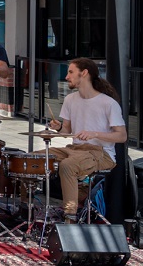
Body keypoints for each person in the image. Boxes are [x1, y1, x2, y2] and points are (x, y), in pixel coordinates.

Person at [46, 58, 126, 222]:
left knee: (67, 165)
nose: (67, 77)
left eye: (70, 72)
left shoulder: (108, 103)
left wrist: (95, 134)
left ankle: (69, 218)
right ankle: (25, 210)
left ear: (84, 73)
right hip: (75, 149)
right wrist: (59, 128)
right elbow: (67, 131)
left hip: (102, 154)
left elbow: (122, 136)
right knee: (33, 157)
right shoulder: (70, 99)